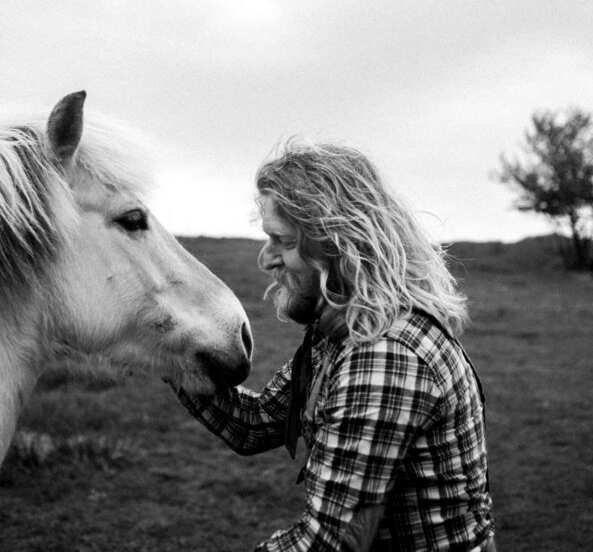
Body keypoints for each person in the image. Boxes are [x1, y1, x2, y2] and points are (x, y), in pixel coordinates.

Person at [170, 140, 496, 551]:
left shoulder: (383, 355)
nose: (266, 259)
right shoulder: (342, 331)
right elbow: (255, 425)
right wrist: (172, 351)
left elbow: (328, 543)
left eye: (283, 241)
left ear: (337, 245)